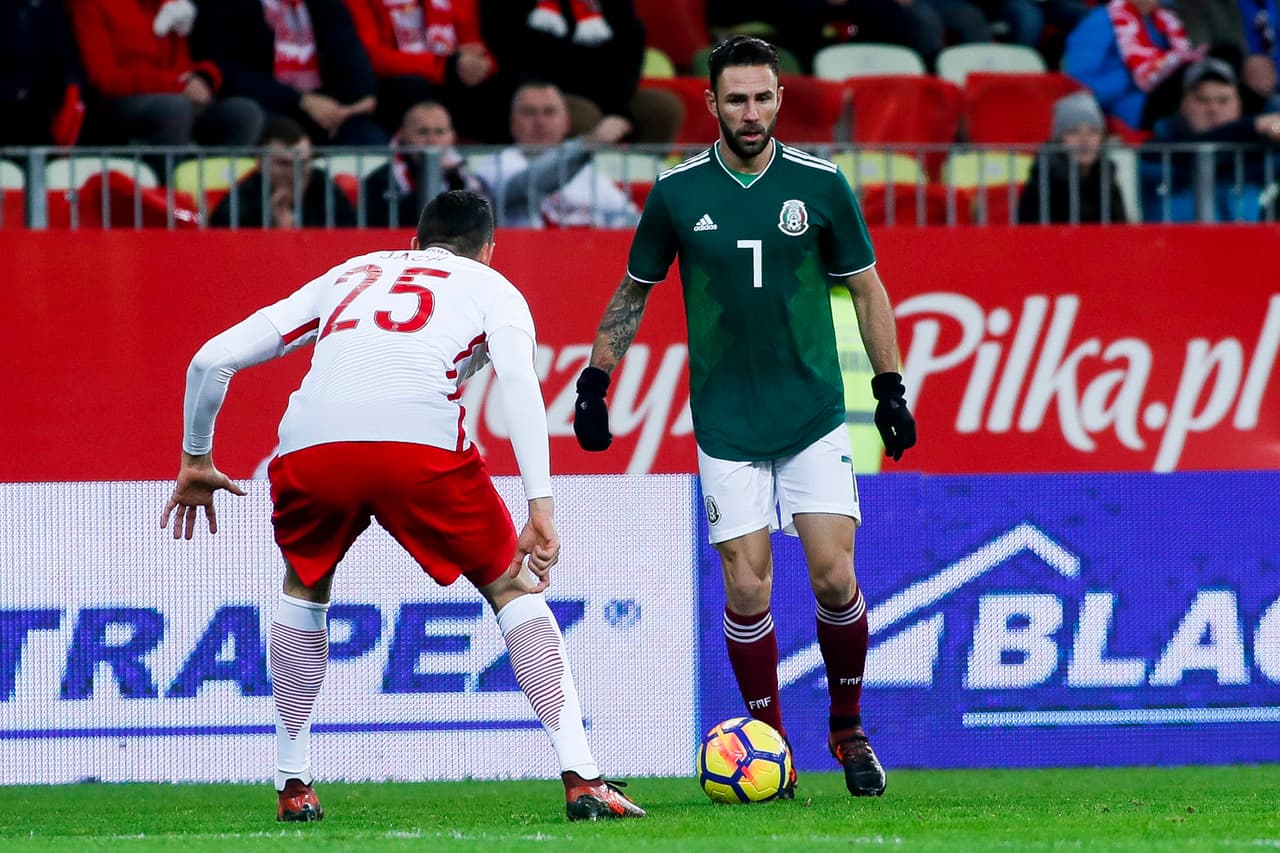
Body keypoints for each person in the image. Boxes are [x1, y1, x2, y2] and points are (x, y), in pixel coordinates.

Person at [161, 190, 647, 824]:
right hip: (418, 447)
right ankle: (582, 778)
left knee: (305, 584)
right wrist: (540, 505)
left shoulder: (350, 272)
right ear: (489, 250)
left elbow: (210, 359)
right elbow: (519, 382)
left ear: (415, 243)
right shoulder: (493, 288)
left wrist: (197, 458)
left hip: (313, 446)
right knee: (513, 583)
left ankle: (292, 784)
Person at [571, 35, 916, 799]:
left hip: (812, 412)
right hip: (726, 421)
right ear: (711, 103)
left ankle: (848, 728)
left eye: (762, 97)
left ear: (780, 99)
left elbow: (867, 287)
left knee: (835, 576)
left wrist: (889, 388)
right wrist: (595, 381)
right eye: (736, 99)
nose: (751, 112)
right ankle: (771, 745)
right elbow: (633, 292)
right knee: (748, 589)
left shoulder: (820, 184)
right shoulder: (677, 192)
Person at [479, 0, 683, 144]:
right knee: (584, 116)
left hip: (609, 91)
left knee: (663, 108)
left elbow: (630, 47)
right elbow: (519, 52)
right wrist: (590, 62)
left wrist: (617, 105)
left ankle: (642, 179)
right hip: (542, 91)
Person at [68, 0, 264, 149]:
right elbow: (104, 79)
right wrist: (177, 85)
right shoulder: (90, 4)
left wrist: (202, 78)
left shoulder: (169, 6)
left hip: (175, 97)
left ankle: (222, 187)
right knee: (174, 109)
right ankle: (167, 188)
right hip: (119, 104)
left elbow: (182, 64)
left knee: (244, 113)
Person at [189, 0, 387, 146]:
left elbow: (348, 50)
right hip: (266, 105)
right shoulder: (222, 5)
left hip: (326, 110)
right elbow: (226, 71)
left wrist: (358, 99)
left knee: (368, 139)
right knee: (281, 137)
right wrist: (300, 100)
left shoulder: (324, 5)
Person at [469, 81, 639, 228]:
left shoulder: (588, 174)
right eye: (529, 112)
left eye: (549, 112)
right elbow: (525, 187)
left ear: (566, 122)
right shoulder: (495, 166)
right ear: (512, 122)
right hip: (527, 252)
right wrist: (587, 144)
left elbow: (629, 219)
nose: (540, 121)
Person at [343, 0, 511, 142]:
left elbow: (474, 45)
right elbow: (370, 56)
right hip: (394, 84)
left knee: (505, 89)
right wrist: (444, 66)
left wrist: (482, 64)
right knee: (412, 86)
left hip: (453, 74)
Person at [1140, 56, 1280, 220]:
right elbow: (1200, 149)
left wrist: (1269, 128)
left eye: (1223, 100)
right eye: (1203, 100)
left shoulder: (1259, 153)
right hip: (1176, 237)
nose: (1213, 109)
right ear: (1183, 105)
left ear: (1239, 104)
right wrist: (1254, 125)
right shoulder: (1159, 150)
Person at [1063, 0, 1207, 130]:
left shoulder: (1163, 21)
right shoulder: (1098, 23)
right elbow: (1078, 87)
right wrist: (1132, 75)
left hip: (1160, 99)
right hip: (1129, 111)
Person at [209, 115, 357, 228]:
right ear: (260, 163)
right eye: (284, 163)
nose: (296, 172)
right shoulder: (239, 204)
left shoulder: (323, 186)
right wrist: (275, 232)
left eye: (303, 162)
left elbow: (351, 235)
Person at [362, 100, 488, 227]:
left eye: (439, 132)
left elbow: (480, 225)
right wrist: (428, 177)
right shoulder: (380, 180)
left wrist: (455, 182)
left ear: (452, 136)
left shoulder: (467, 179)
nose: (432, 140)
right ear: (403, 134)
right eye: (423, 132)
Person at [1017, 91, 1129, 223]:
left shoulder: (1106, 177)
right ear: (1059, 140)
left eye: (1093, 131)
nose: (1084, 140)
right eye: (1074, 132)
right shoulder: (1043, 180)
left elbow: (1121, 227)